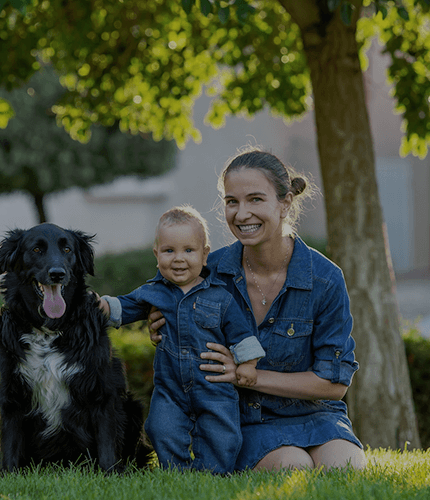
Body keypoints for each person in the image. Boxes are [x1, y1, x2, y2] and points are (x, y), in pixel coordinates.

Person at [148, 147, 367, 471]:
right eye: (232, 201)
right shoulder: (207, 269)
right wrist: (159, 323)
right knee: (294, 466)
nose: (241, 213)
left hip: (314, 414)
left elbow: (334, 384)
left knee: (347, 467)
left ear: (284, 203)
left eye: (255, 199)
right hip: (240, 419)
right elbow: (160, 303)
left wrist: (246, 375)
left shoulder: (325, 278)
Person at [99, 205, 265, 474]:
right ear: (156, 254)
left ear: (204, 254)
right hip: (170, 389)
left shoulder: (221, 297)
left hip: (214, 389)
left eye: (189, 251)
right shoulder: (153, 293)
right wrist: (103, 306)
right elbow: (124, 306)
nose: (178, 259)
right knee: (159, 426)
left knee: (223, 436)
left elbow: (242, 333)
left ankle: (212, 475)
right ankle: (177, 473)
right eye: (169, 251)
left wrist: (248, 364)